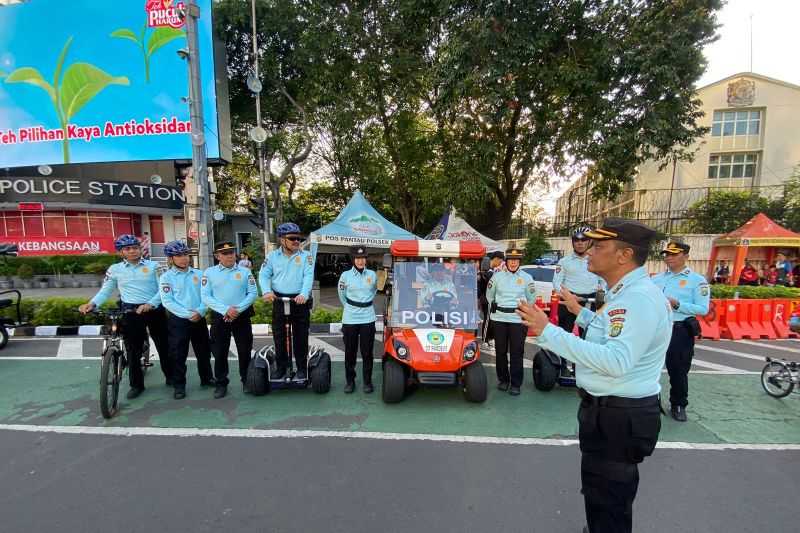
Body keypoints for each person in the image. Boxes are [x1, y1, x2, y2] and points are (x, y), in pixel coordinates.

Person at [516, 218, 671, 533]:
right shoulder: (625, 294)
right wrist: (579, 312)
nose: (589, 252)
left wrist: (548, 331)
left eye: (599, 246)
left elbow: (616, 361)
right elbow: (608, 333)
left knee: (610, 502)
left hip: (619, 416)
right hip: (609, 411)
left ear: (623, 255)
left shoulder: (637, 299)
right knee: (601, 495)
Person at [78, 234, 171, 399]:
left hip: (153, 309)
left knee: (163, 345)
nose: (133, 251)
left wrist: (151, 304)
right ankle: (136, 385)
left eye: (135, 247)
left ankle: (172, 377)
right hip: (130, 312)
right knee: (132, 350)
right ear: (121, 252)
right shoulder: (115, 269)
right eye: (128, 249)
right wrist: (92, 304)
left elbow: (163, 288)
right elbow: (106, 290)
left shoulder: (154, 266)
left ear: (140, 249)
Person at [652, 242, 710, 422]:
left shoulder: (697, 281)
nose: (668, 257)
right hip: (657, 328)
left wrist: (677, 304)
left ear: (685, 256)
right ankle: (650, 401)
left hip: (679, 329)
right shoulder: (656, 278)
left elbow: (703, 309)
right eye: (666, 254)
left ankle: (678, 404)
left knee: (678, 369)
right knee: (648, 365)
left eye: (673, 254)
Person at [159, 240, 215, 399]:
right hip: (178, 321)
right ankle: (179, 385)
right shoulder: (166, 277)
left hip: (199, 318)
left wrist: (200, 311)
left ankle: (207, 378)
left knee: (203, 351)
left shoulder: (199, 274)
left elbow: (206, 295)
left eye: (186, 254)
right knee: (178, 354)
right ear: (171, 258)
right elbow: (167, 301)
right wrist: (188, 314)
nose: (184, 258)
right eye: (179, 255)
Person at [201, 241, 257, 399]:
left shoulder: (245, 271)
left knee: (245, 350)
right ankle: (221, 383)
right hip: (220, 316)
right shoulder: (209, 273)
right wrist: (226, 310)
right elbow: (205, 296)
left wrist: (236, 310)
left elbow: (253, 293)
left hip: (242, 316)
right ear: (217, 256)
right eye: (225, 253)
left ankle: (247, 380)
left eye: (232, 252)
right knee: (220, 352)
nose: (230, 255)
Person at [259, 222, 314, 381]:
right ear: (282, 240)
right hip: (279, 299)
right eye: (292, 238)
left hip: (299, 301)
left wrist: (304, 293)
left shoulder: (306, 256)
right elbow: (264, 275)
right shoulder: (272, 257)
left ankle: (302, 368)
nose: (297, 241)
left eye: (298, 238)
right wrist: (267, 291)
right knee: (279, 336)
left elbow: (308, 276)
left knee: (300, 336)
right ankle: (281, 367)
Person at [485, 247, 535, 396]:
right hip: (499, 318)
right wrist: (494, 306)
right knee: (500, 351)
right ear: (506, 262)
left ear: (520, 262)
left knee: (516, 352)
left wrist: (524, 312)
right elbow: (489, 295)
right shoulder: (497, 277)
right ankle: (503, 380)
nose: (513, 263)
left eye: (516, 260)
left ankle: (515, 383)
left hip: (517, 319)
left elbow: (531, 298)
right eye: (511, 260)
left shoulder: (527, 278)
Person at [337, 246, 378, 393]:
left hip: (368, 317)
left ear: (366, 259)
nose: (360, 261)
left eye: (363, 258)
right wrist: (351, 307)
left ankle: (367, 382)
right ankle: (350, 382)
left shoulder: (373, 275)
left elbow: (375, 290)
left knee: (367, 352)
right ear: (353, 259)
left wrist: (364, 304)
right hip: (350, 318)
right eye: (358, 258)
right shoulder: (345, 276)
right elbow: (342, 295)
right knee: (350, 352)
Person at [553, 226, 603, 335]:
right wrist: (569, 296)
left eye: (583, 240)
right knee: (564, 335)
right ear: (572, 242)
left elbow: (604, 283)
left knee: (587, 336)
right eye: (576, 240)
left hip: (589, 301)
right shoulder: (564, 261)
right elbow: (556, 283)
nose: (580, 243)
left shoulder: (597, 261)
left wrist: (600, 298)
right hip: (568, 300)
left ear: (590, 242)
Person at [478, 251, 504, 344]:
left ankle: (489, 339)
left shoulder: (491, 270)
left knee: (491, 319)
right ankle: (484, 340)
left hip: (490, 298)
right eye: (500, 262)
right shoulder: (487, 271)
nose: (500, 264)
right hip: (486, 298)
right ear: (496, 259)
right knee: (487, 319)